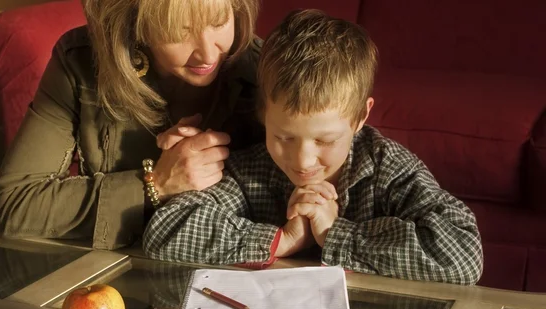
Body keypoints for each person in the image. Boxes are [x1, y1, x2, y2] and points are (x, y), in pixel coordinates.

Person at [142, 9, 483, 285]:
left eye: (325, 140)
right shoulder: (251, 169)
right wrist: (282, 241)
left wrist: (337, 236)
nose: (302, 160)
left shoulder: (387, 167)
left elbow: (463, 255)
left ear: (360, 117)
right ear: (263, 112)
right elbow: (165, 231)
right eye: (284, 137)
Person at [0, 0, 263, 250]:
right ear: (136, 22)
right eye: (179, 32)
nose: (206, 53)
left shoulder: (266, 71)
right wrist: (157, 184)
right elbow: (17, 203)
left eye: (218, 22)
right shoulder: (80, 61)